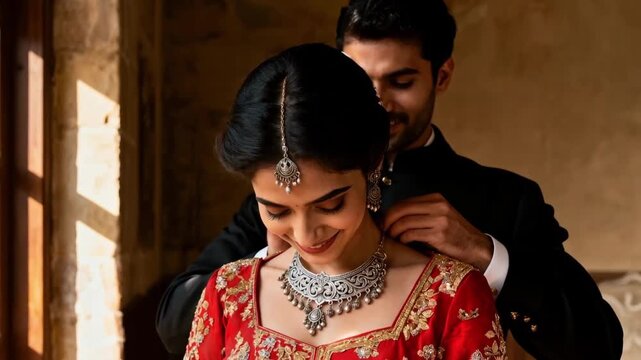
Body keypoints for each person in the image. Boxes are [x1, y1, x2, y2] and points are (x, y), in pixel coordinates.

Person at [158, 1, 623, 359]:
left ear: (440, 76)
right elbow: (177, 320)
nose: (375, 103)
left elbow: (597, 347)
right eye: (359, 80)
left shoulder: (504, 200)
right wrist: (271, 258)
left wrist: (487, 255)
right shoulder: (280, 189)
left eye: (400, 82)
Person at [183, 43, 506, 359]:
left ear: (373, 164)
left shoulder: (450, 297)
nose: (306, 235)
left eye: (329, 205)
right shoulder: (229, 292)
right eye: (277, 210)